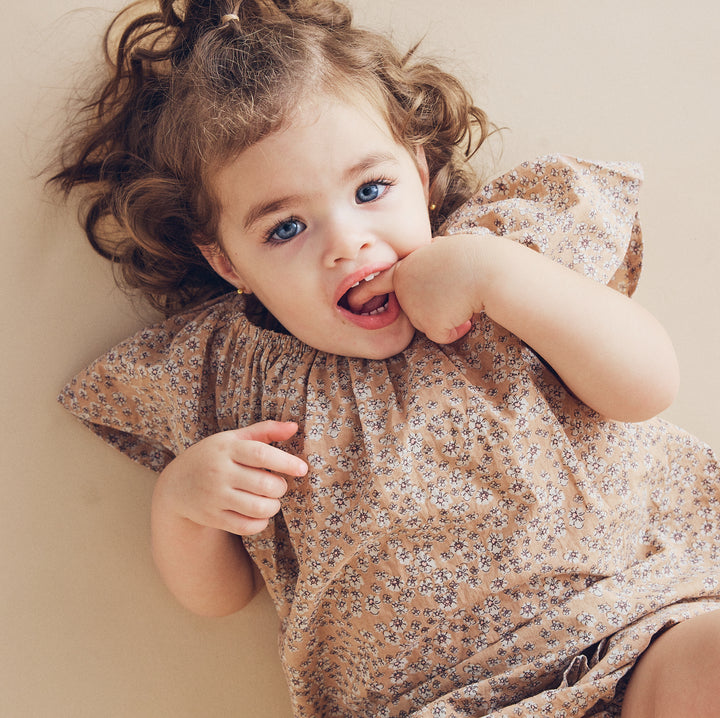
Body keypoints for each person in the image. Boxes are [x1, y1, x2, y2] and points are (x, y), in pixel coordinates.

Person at [51, 1, 720, 716]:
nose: (347, 242)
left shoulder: (505, 259)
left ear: (424, 175)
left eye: (372, 190)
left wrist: (500, 277)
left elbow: (647, 386)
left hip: (634, 628)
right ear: (228, 263)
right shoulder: (227, 372)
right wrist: (185, 506)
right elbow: (219, 598)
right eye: (285, 229)